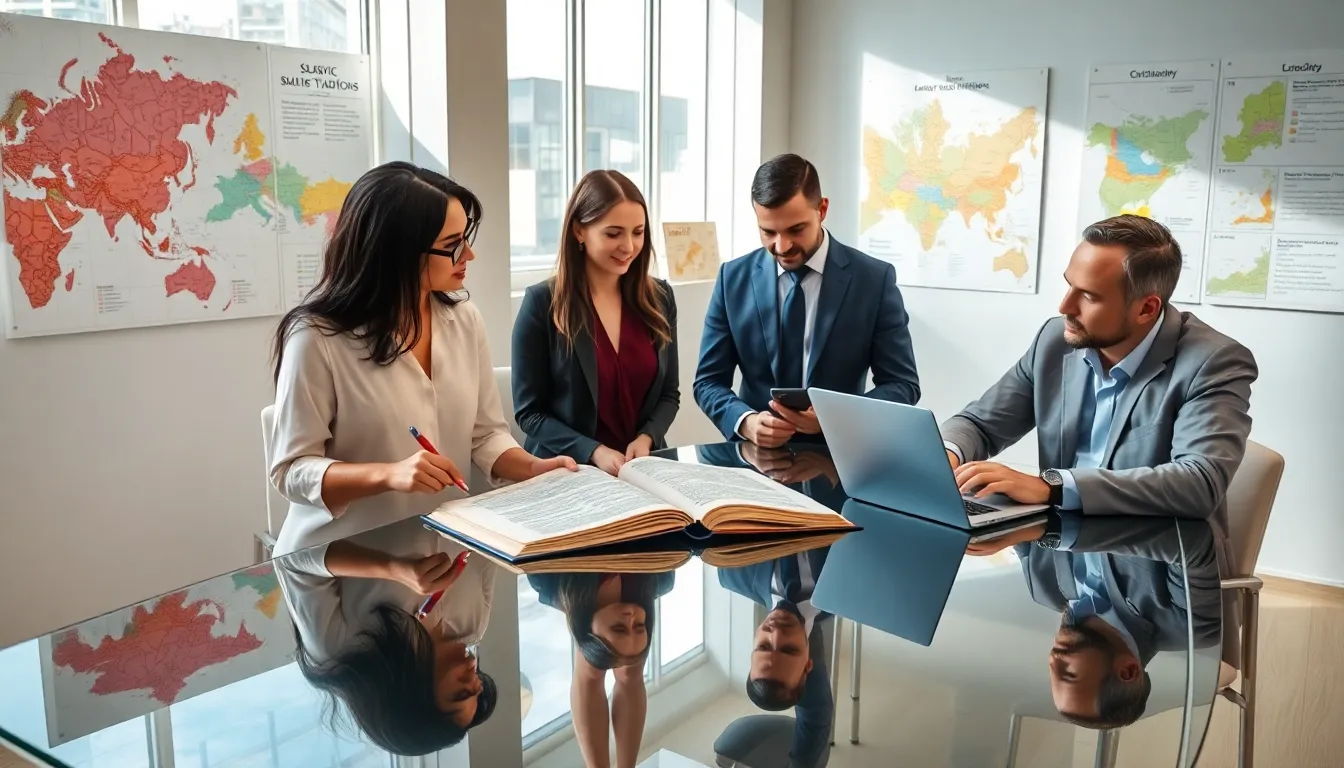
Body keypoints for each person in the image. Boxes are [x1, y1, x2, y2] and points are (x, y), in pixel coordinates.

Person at [269, 162, 576, 556]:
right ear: (398, 250)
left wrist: (532, 468)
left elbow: (484, 435)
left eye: (465, 238)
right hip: (341, 559)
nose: (470, 254)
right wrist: (389, 474)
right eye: (452, 244)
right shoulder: (316, 337)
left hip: (442, 548)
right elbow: (291, 471)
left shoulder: (463, 319)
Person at [942, 215, 1257, 558]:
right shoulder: (1055, 341)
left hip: (1154, 573)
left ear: (1146, 309)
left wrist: (1052, 487)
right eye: (1069, 285)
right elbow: (980, 423)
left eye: (1089, 296)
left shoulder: (1213, 362)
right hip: (1061, 562)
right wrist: (947, 454)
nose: (1064, 307)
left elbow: (1198, 483)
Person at [694, 153, 920, 447]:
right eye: (768, 232)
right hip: (753, 459)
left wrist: (834, 418)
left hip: (841, 459)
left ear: (822, 209)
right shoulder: (731, 279)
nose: (782, 246)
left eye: (795, 230)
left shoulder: (874, 280)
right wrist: (745, 421)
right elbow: (708, 381)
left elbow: (903, 385)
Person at [275, 519, 498, 755]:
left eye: (461, 692)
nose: (474, 671)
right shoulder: (474, 624)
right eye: (478, 687)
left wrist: (391, 568)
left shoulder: (340, 653)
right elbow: (494, 536)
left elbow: (291, 558)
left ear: (412, 700)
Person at [513, 170, 679, 476]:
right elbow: (529, 413)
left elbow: (669, 394)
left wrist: (647, 438)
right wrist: (593, 451)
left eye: (638, 232)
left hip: (643, 469)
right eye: (613, 234)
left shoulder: (660, 298)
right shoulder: (541, 303)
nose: (628, 246)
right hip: (568, 471)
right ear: (579, 231)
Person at [1017, 517, 1222, 728]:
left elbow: (1011, 518)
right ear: (1127, 671)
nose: (1053, 659)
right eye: (1069, 674)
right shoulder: (1190, 624)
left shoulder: (1045, 589)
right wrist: (1069, 528)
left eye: (1051, 672)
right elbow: (1192, 541)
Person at [528, 572, 674, 768]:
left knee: (629, 672)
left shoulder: (548, 580)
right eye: (640, 626)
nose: (631, 616)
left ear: (589, 635)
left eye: (619, 628)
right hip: (640, 558)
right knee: (593, 672)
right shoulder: (658, 578)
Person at [718, 548, 833, 767]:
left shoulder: (730, 571)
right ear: (810, 663)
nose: (776, 633)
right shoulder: (849, 586)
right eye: (789, 649)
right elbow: (816, 711)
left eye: (763, 645)